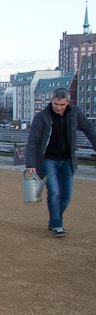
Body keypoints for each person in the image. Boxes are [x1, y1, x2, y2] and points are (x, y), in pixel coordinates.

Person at [25, 88, 96, 237]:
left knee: (67, 195)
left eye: (62, 105)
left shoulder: (74, 113)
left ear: (67, 103)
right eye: (56, 104)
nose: (58, 107)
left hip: (68, 159)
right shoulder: (42, 117)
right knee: (54, 192)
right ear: (52, 100)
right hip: (48, 159)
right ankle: (57, 224)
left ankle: (54, 219)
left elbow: (89, 129)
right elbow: (33, 141)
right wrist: (31, 164)